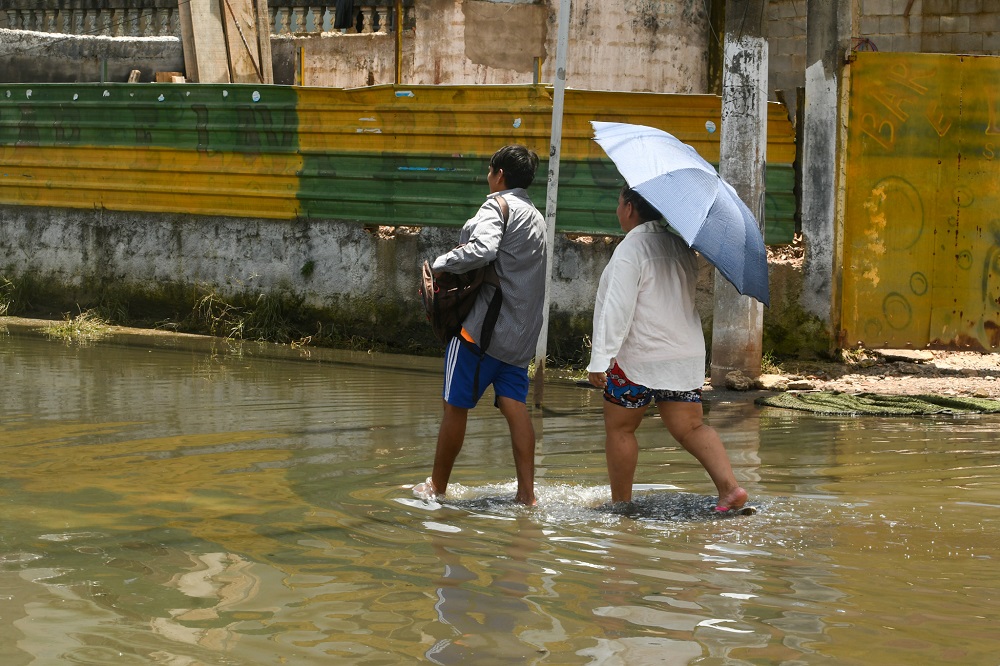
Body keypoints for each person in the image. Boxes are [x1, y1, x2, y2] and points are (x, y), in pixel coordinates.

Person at [587, 186, 748, 511]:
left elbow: (617, 309)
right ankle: (730, 489)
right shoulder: (681, 246)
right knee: (691, 427)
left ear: (630, 208)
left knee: (620, 428)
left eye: (619, 204)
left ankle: (621, 506)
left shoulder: (631, 249)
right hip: (683, 356)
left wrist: (599, 360)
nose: (618, 211)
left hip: (638, 357)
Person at [414, 145, 547, 505]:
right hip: (519, 338)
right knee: (515, 408)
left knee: (454, 406)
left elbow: (483, 249)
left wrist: (441, 264)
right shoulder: (537, 217)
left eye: (490, 171)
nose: (488, 178)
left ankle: (436, 488)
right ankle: (527, 495)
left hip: (480, 333)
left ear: (499, 175)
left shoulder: (496, 205)